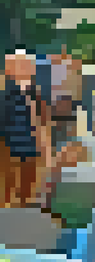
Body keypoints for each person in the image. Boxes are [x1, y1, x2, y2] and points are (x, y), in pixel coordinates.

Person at [1, 52, 47, 207]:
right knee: (8, 190)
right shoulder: (5, 90)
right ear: (9, 69)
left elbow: (41, 119)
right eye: (22, 65)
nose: (28, 68)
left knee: (28, 191)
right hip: (9, 148)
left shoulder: (34, 90)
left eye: (28, 65)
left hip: (30, 147)